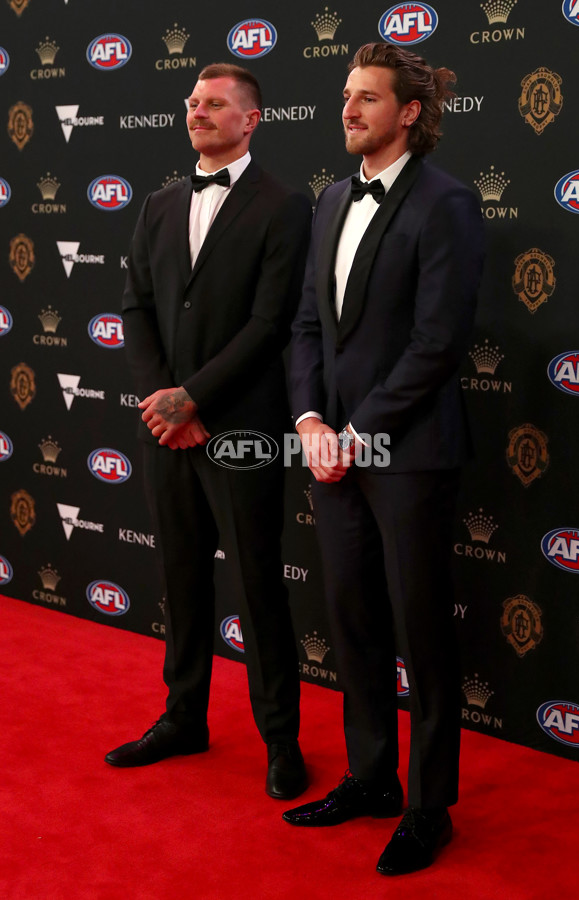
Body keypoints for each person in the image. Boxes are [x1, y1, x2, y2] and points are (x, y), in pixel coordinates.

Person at [283, 43, 485, 872]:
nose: (349, 108)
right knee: (355, 620)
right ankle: (371, 777)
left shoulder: (448, 204)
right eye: (345, 95)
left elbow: (439, 343)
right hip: (331, 452)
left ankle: (430, 805)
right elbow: (305, 326)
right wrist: (306, 420)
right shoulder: (330, 199)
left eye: (368, 97)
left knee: (421, 630)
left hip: (407, 453)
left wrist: (356, 431)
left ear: (409, 112)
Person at [105, 63, 312, 801]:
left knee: (259, 587)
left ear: (251, 119)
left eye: (216, 104)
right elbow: (135, 309)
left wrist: (191, 400)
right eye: (193, 102)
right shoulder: (159, 204)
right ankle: (182, 717)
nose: (198, 112)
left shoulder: (285, 206)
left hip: (240, 429)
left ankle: (281, 741)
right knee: (181, 580)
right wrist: (162, 404)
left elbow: (270, 323)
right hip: (167, 433)